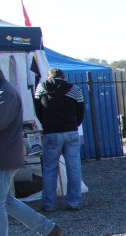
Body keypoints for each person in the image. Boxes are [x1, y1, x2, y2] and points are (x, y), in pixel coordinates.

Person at [0, 50, 61, 236]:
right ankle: (48, 229)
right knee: (6, 202)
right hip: (1, 157)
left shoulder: (5, 93)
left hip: (0, 158)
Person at [34, 67, 84, 211]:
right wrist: (74, 123)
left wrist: (46, 123)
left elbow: (38, 110)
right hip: (71, 131)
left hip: (51, 132)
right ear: (64, 77)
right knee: (74, 167)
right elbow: (81, 111)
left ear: (49, 76)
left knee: (50, 168)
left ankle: (49, 204)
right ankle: (74, 202)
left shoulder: (41, 88)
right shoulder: (75, 89)